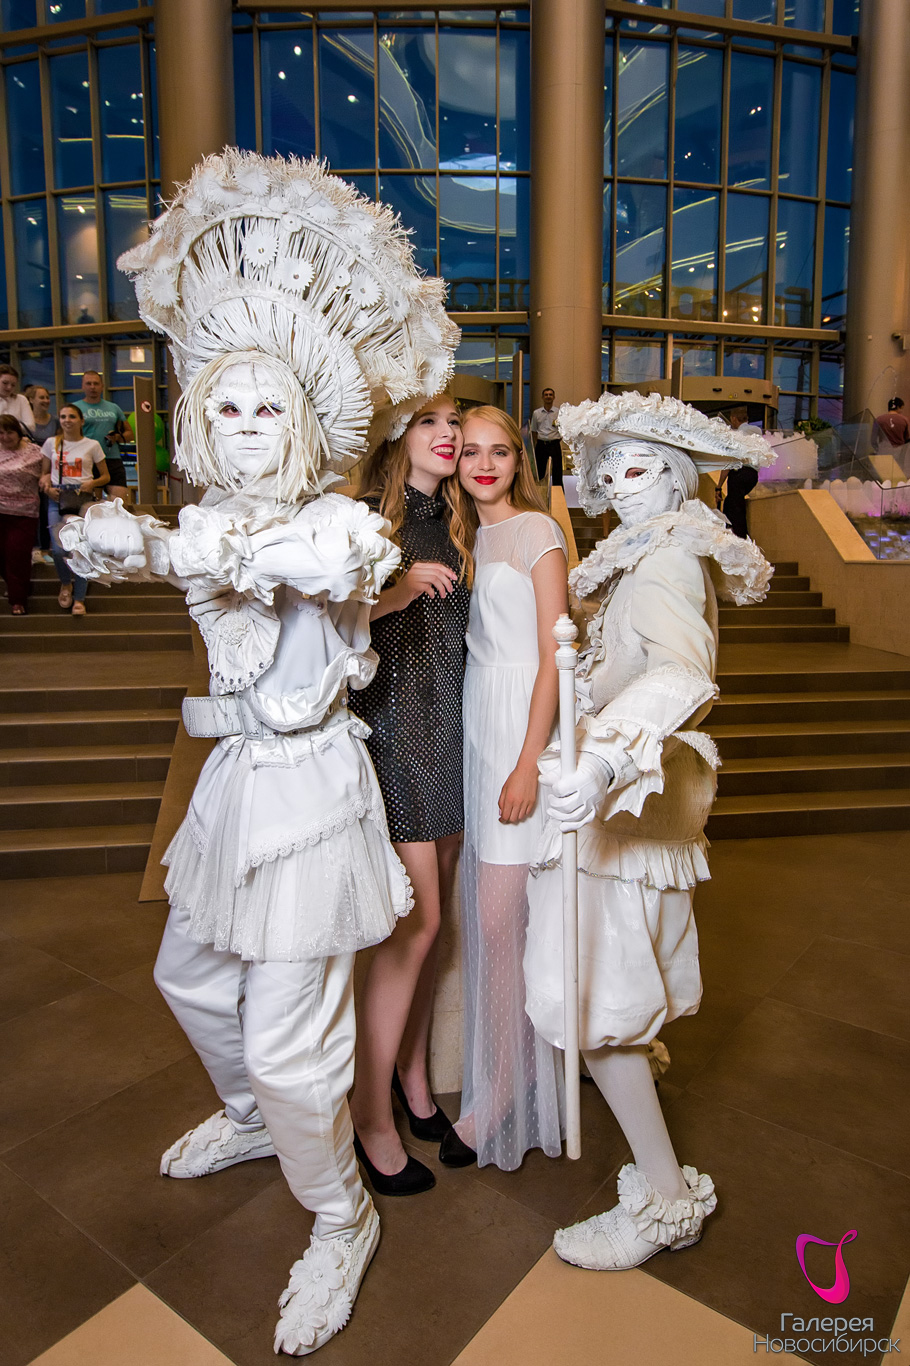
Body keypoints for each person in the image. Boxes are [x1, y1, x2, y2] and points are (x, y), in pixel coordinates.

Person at [60, 149, 461, 1356]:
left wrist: (160, 550)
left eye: (267, 407)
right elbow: (166, 552)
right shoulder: (210, 517)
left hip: (313, 794)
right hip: (234, 782)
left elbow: (334, 568)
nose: (243, 426)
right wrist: (119, 539)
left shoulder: (335, 520)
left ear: (304, 423)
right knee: (186, 978)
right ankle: (252, 1115)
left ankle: (339, 1214)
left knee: (295, 1038)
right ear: (197, 417)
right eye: (225, 405)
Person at [523, 391, 773, 1272]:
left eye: (642, 471)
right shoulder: (645, 556)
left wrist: (598, 763)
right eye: (612, 473)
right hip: (622, 811)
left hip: (623, 811)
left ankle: (667, 1200)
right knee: (613, 984)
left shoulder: (666, 558)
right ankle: (635, 1056)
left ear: (676, 481)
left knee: (594, 1001)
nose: (622, 486)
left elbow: (681, 675)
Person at [348, 394, 475, 1193]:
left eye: (454, 421)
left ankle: (415, 1082)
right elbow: (319, 626)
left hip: (452, 735)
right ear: (397, 433)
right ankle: (369, 1114)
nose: (449, 434)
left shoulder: (459, 523)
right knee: (414, 926)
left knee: (435, 929)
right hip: (394, 734)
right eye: (430, 421)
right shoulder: (366, 520)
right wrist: (395, 590)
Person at [447, 405, 568, 1170]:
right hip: (478, 725)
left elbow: (557, 654)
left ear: (519, 460)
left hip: (522, 728)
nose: (485, 464)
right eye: (471, 452)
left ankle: (505, 1085)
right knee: (495, 926)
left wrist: (529, 761)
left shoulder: (536, 532)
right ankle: (509, 1072)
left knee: (501, 920)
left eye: (499, 451)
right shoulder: (463, 538)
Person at [39, 404, 109, 616]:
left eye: (71, 416)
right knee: (58, 548)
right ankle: (65, 582)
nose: (67, 420)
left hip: (83, 498)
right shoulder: (52, 443)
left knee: (81, 548)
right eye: (63, 417)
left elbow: (106, 476)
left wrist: (93, 483)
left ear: (81, 421)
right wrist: (47, 487)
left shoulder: (92, 445)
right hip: (57, 498)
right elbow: (44, 474)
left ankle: (79, 598)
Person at [0, 415, 43, 615]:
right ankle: (17, 585)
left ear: (18, 433)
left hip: (24, 512)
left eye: (9, 432)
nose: (5, 437)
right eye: (1, 433)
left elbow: (47, 473)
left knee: (16, 554)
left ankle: (18, 600)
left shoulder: (35, 452)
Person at [74, 369, 131, 502]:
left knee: (120, 501)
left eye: (96, 383)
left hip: (112, 457)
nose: (92, 387)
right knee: (94, 504)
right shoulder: (75, 409)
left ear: (102, 386)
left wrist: (117, 437)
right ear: (83, 386)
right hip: (88, 459)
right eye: (89, 384)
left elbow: (129, 434)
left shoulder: (114, 408)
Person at [25, 386, 57, 564]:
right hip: (28, 471)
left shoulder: (55, 422)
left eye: (47, 397)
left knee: (46, 509)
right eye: (41, 397)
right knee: (32, 509)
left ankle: (45, 548)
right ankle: (33, 548)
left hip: (49, 471)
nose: (46, 401)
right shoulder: (25, 422)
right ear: (31, 400)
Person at [716, 407, 759, 538]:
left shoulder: (736, 435)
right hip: (753, 475)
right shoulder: (756, 431)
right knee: (732, 502)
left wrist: (719, 487)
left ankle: (739, 537)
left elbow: (729, 463)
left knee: (735, 508)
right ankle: (736, 533)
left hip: (739, 473)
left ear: (734, 419)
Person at [530, 387, 562, 486]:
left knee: (557, 471)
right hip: (541, 445)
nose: (548, 397)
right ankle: (538, 492)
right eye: (546, 395)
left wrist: (556, 439)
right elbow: (534, 431)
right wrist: (539, 441)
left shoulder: (559, 412)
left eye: (550, 395)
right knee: (539, 472)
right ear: (542, 397)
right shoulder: (536, 413)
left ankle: (558, 493)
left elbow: (563, 430)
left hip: (554, 444)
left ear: (554, 397)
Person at [0, 364, 35, 431]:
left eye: (13, 385)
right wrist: (15, 427)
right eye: (5, 383)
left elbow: (31, 427)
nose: (9, 387)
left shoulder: (21, 399)